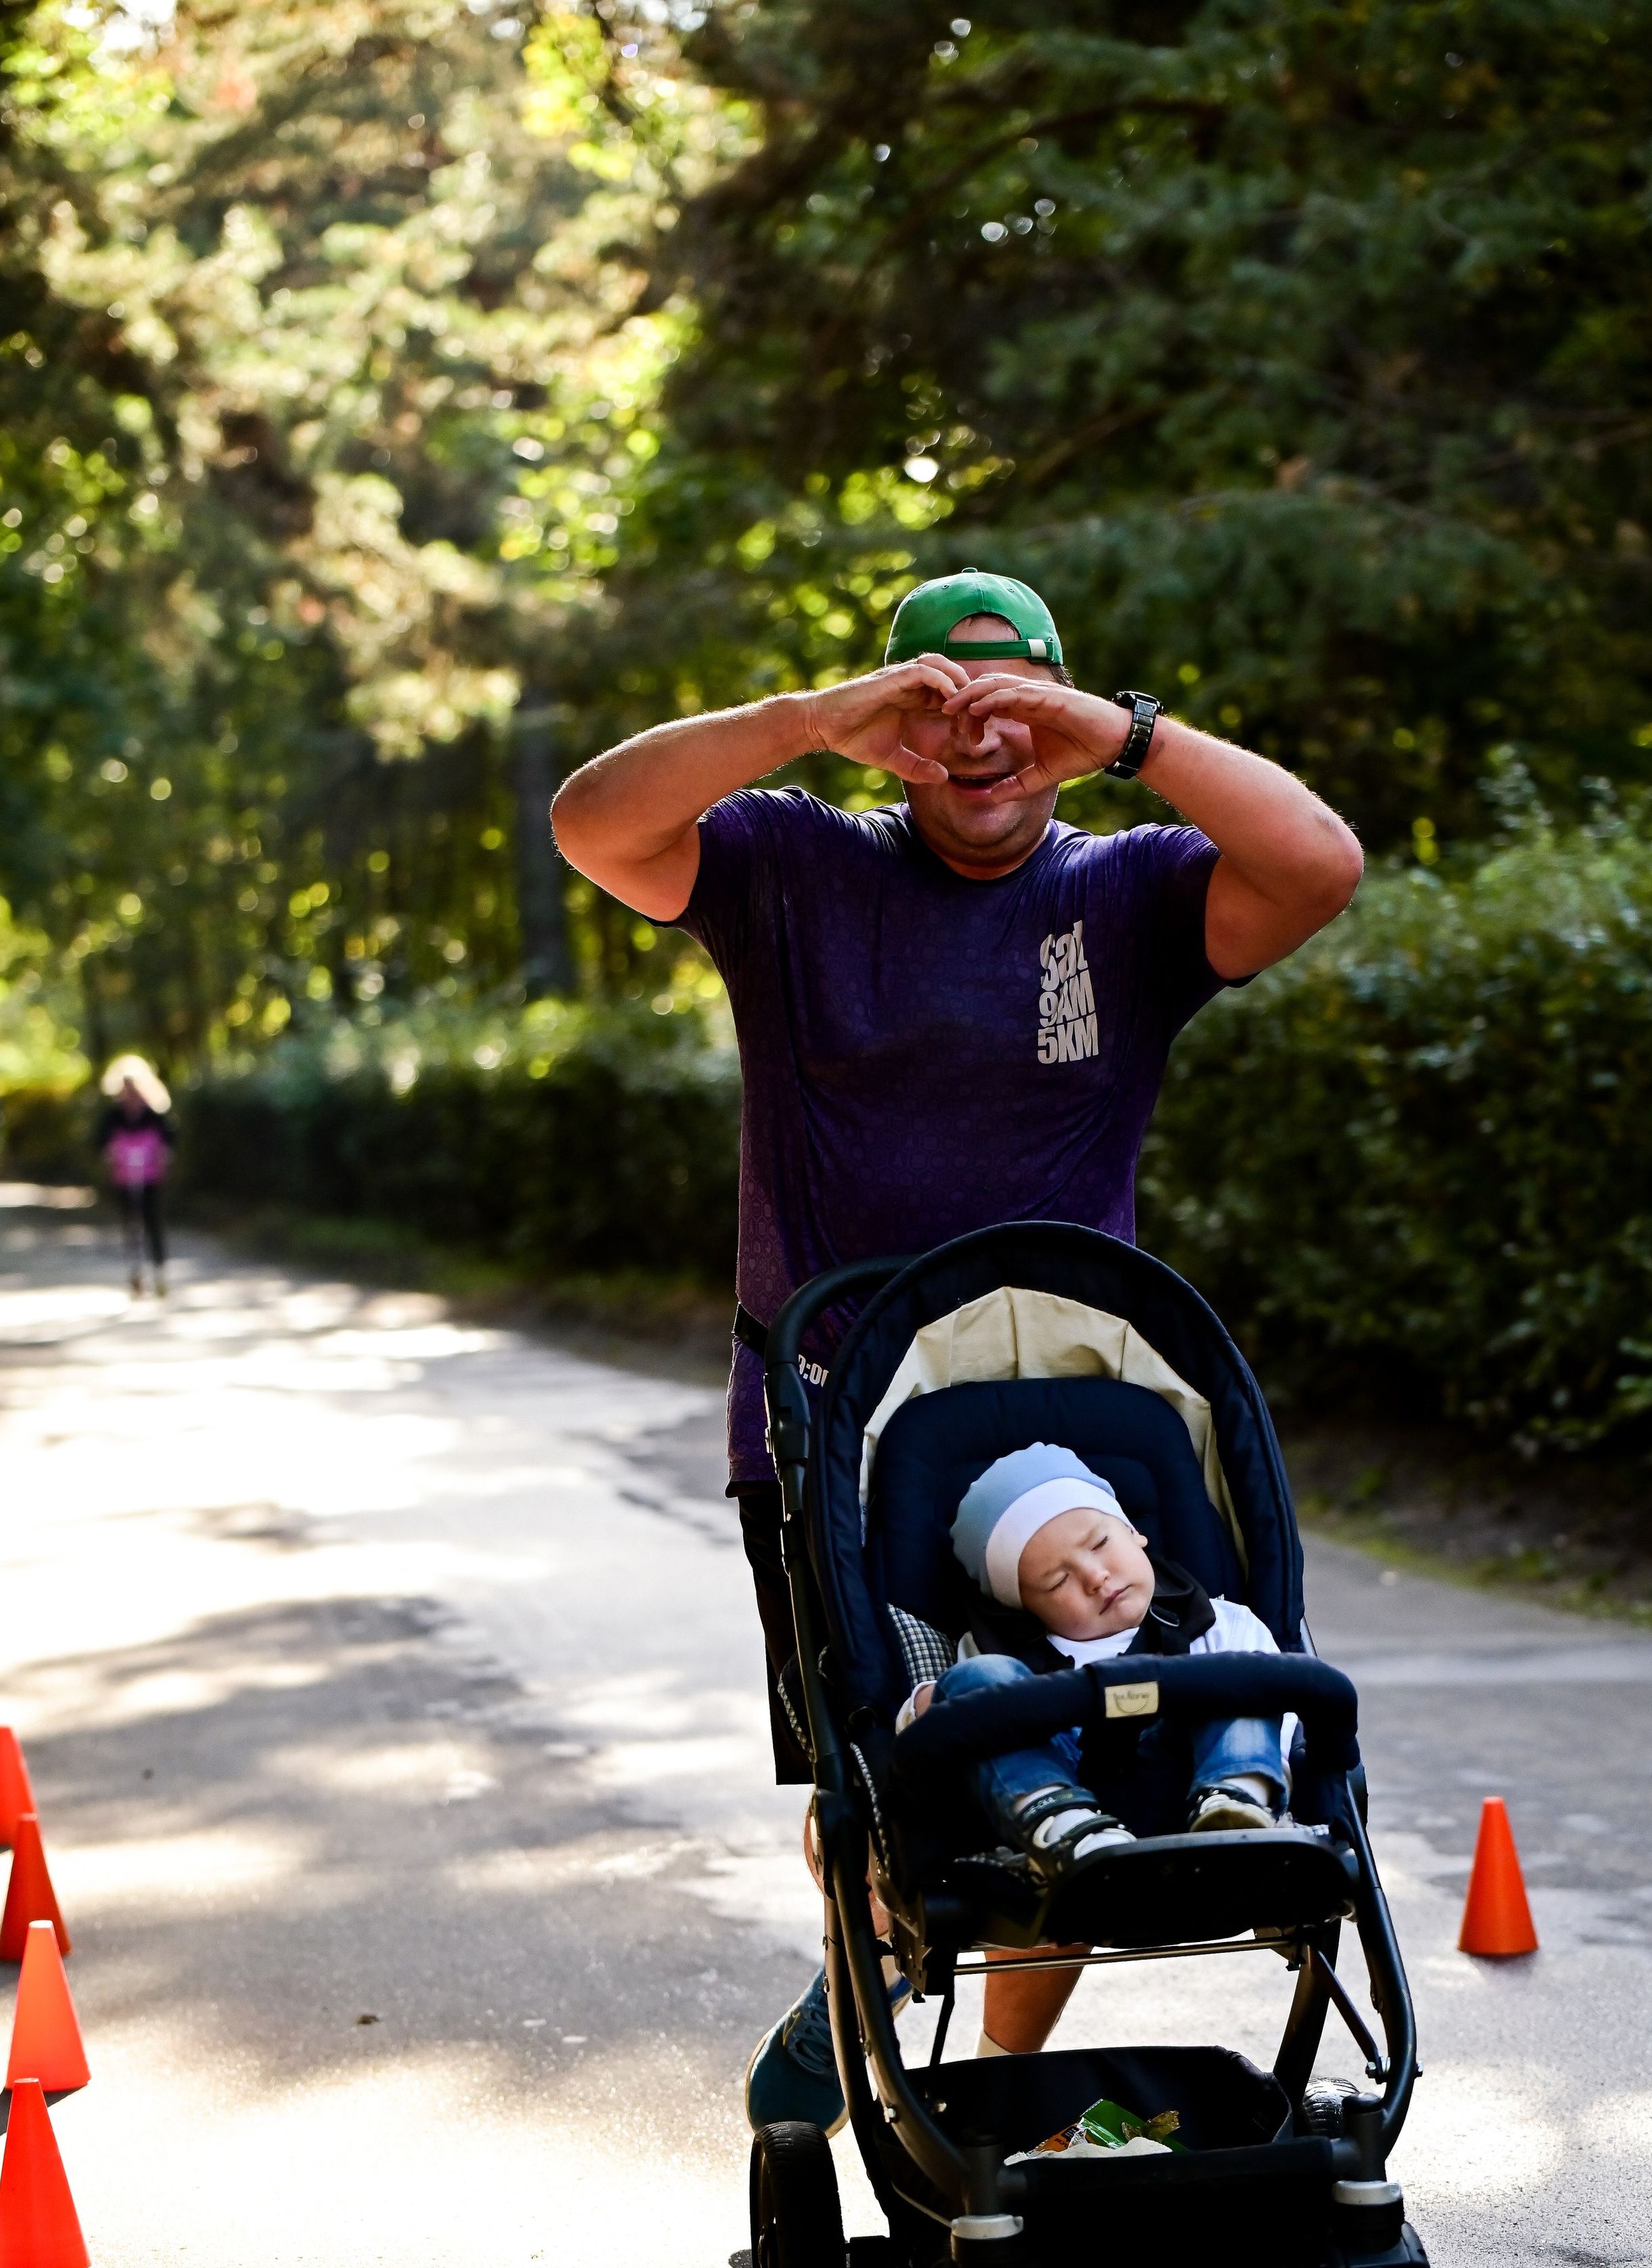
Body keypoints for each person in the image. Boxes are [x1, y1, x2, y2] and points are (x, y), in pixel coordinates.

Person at [551, 565, 1362, 2127]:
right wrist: (807, 721)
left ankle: (1008, 2089)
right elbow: (595, 825)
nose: (975, 741)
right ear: (885, 731)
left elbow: (1316, 863)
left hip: (1068, 1421)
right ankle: (864, 1937)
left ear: (1062, 721)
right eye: (931, 707)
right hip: (825, 1417)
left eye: (1014, 708)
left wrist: (1126, 732)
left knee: (1072, 1727)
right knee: (867, 1776)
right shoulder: (791, 864)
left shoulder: (1122, 893)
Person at [897, 1443, 1290, 1894]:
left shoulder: (1221, 1625)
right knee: (978, 1688)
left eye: (1101, 1544)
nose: (1095, 1577)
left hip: (1190, 1787)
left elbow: (1284, 1719)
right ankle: (1061, 1822)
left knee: (1248, 1681)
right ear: (1025, 1607)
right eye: (1058, 1581)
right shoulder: (1003, 1657)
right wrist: (928, 1707)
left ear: (1133, 1531)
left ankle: (1239, 1804)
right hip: (1063, 1788)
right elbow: (965, 1755)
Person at [97, 1054, 174, 1299]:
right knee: (131, 1224)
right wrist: (109, 1153)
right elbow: (101, 1140)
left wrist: (164, 1154)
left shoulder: (153, 1112)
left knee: (153, 1222)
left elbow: (169, 1138)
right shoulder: (114, 1114)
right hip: (124, 1176)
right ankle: (136, 1272)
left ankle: (159, 1272)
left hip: (150, 1176)